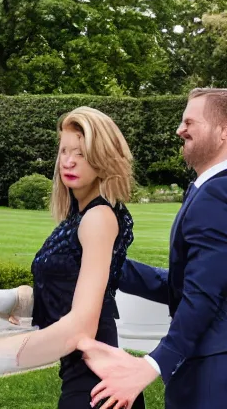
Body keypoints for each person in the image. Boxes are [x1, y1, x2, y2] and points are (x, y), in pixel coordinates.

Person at [0, 107, 145, 409]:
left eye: (81, 154)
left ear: (104, 157)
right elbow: (69, 292)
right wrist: (5, 300)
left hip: (96, 381)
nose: (68, 162)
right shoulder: (80, 214)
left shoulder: (98, 217)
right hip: (83, 375)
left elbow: (82, 326)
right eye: (64, 151)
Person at [78, 88, 227, 409]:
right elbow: (184, 285)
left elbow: (204, 296)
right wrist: (107, 263)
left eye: (190, 122)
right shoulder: (209, 191)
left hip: (211, 375)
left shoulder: (217, 194)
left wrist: (152, 364)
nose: (179, 129)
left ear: (223, 131)